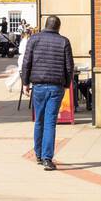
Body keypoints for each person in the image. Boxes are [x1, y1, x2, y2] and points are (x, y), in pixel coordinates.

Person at [20, 15, 74, 170]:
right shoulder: (64, 41)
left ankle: (38, 153)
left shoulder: (34, 39)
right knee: (50, 122)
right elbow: (69, 66)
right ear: (58, 27)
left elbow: (26, 62)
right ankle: (47, 158)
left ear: (46, 25)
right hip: (56, 86)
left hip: (38, 85)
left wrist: (25, 83)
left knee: (39, 121)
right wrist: (66, 84)